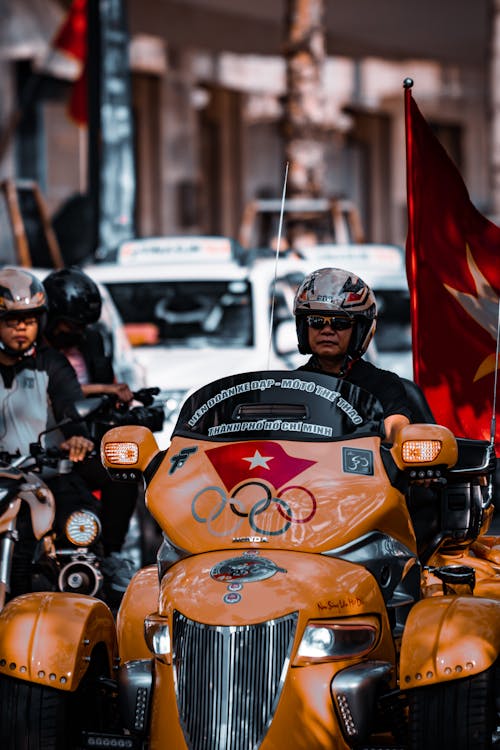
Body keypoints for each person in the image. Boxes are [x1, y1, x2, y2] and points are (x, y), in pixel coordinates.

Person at [42, 267, 144, 597]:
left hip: (86, 438)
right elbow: (59, 393)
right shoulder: (38, 355)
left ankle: (110, 552)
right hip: (47, 441)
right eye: (71, 325)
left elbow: (100, 387)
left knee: (121, 470)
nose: (78, 332)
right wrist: (103, 389)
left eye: (83, 326)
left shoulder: (92, 340)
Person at [0, 266, 98, 593]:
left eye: (28, 320)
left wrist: (77, 437)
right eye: (12, 321)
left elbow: (71, 405)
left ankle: (84, 597)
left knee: (83, 527)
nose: (21, 329)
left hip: (42, 475)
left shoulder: (51, 363)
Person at [293, 267, 412, 442]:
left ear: (359, 330)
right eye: (316, 321)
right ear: (304, 327)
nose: (327, 331)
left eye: (340, 323)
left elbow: (396, 429)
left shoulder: (383, 384)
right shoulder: (291, 385)